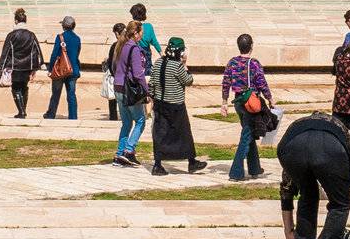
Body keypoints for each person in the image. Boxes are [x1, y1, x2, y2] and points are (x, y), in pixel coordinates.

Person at [277, 111, 350, 239]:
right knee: (341, 204)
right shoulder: (342, 131)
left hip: (291, 148)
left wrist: (289, 231)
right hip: (331, 148)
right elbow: (347, 187)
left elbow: (286, 190)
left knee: (308, 195)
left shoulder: (298, 125)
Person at [149, 37, 208, 175]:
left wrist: (152, 97)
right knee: (184, 133)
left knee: (160, 134)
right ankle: (192, 162)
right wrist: (185, 64)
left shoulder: (158, 63)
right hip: (175, 105)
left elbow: (151, 83)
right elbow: (189, 80)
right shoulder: (178, 66)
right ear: (180, 52)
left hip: (159, 104)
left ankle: (157, 165)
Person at [222, 33, 273, 182]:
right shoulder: (254, 63)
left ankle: (255, 168)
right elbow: (262, 83)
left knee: (249, 132)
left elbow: (226, 83)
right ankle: (236, 172)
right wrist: (270, 99)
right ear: (251, 46)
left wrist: (224, 102)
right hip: (251, 103)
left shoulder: (232, 62)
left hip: (238, 101)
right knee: (246, 135)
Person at [112, 18, 149, 166]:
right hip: (129, 90)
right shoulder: (133, 48)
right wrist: (146, 91)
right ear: (136, 33)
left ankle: (120, 154)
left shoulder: (121, 46)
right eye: (141, 33)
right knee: (140, 120)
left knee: (126, 122)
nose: (142, 36)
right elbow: (138, 74)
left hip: (118, 87)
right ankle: (129, 150)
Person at [0, 7, 44, 119]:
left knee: (15, 88)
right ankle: (23, 110)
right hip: (27, 66)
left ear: (16, 21)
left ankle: (21, 111)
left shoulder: (11, 35)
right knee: (24, 87)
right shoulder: (31, 35)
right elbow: (37, 50)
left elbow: (5, 53)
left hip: (15, 66)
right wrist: (37, 67)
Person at [44, 15, 82, 120]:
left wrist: (50, 68)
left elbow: (54, 54)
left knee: (56, 94)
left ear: (64, 26)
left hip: (60, 69)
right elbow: (77, 54)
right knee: (71, 95)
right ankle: (73, 116)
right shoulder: (77, 38)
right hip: (73, 70)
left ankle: (51, 114)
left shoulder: (60, 37)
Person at [104, 21, 125, 122]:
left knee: (113, 100)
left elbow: (111, 62)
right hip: (126, 76)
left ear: (117, 33)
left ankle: (113, 117)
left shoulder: (115, 46)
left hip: (116, 76)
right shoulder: (131, 44)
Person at [131, 2, 160, 70]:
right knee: (146, 72)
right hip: (146, 53)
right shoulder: (149, 26)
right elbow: (154, 41)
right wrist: (161, 53)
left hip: (134, 51)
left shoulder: (132, 25)